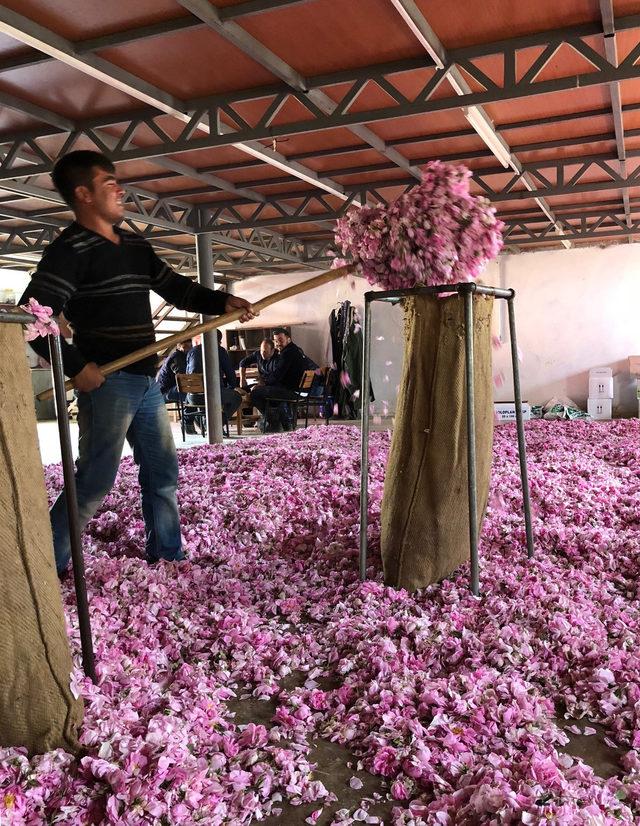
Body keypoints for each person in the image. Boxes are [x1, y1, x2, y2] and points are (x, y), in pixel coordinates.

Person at [19, 149, 254, 577]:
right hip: (108, 382)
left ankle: (167, 555)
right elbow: (34, 312)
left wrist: (223, 300)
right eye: (109, 182)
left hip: (145, 380)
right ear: (84, 194)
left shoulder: (133, 245)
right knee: (94, 481)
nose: (120, 188)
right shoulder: (70, 251)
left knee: (162, 471)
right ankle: (44, 563)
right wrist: (76, 366)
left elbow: (176, 289)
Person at [250, 327, 306, 432]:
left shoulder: (288, 353)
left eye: (280, 340)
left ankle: (273, 422)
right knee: (273, 392)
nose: (277, 344)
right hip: (298, 390)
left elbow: (277, 375)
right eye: (275, 341)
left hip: (293, 391)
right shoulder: (294, 350)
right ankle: (284, 422)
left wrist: (263, 384)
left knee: (255, 393)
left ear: (288, 339)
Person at [186, 331, 243, 427]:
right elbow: (230, 374)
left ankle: (198, 423)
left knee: (209, 393)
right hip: (212, 396)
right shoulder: (219, 350)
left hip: (192, 397)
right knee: (236, 397)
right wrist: (231, 387)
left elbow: (188, 374)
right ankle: (218, 423)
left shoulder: (191, 351)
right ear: (218, 340)